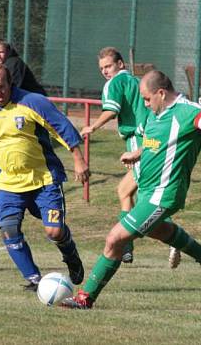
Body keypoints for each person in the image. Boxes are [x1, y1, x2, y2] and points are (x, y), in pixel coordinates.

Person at [62, 70, 201, 309]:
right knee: (159, 230)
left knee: (115, 239)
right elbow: (154, 142)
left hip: (164, 194)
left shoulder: (187, 111)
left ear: (161, 93)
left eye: (147, 98)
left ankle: (85, 298)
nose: (144, 103)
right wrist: (137, 153)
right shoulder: (156, 114)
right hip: (148, 192)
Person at [0, 64, 89, 291]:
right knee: (8, 229)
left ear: (10, 84)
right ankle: (35, 280)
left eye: (2, 87)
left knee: (54, 231)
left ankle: (71, 255)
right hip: (9, 184)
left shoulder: (33, 102)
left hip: (44, 180)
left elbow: (61, 127)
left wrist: (78, 159)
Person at [80, 47, 180, 266]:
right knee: (126, 191)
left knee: (147, 195)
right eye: (102, 68)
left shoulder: (114, 84)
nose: (105, 72)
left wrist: (93, 127)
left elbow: (112, 109)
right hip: (152, 137)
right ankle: (127, 248)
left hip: (138, 139)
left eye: (108, 66)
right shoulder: (139, 82)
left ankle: (171, 239)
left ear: (120, 64)